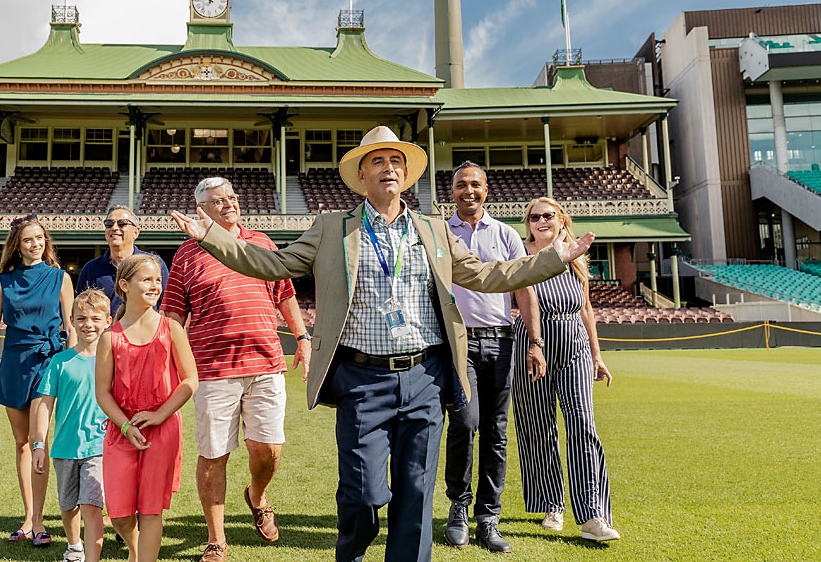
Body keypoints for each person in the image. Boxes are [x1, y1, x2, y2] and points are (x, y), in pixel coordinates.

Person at [170, 126, 594, 562]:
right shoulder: (332, 228)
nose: (388, 168)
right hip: (361, 379)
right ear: (361, 174)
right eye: (378, 161)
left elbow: (490, 276)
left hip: (425, 377)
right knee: (363, 497)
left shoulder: (432, 229)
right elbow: (273, 263)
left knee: (415, 494)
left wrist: (554, 258)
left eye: (396, 161)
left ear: (406, 175)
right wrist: (213, 237)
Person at [161, 177, 312, 562]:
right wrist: (174, 362)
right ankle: (216, 538)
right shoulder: (187, 254)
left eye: (232, 197)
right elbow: (174, 316)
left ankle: (257, 496)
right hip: (212, 369)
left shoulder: (261, 242)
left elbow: (286, 295)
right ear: (203, 209)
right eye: (218, 200)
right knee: (213, 454)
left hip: (265, 363)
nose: (228, 204)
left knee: (268, 451)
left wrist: (303, 337)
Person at [440, 161, 546, 553]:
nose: (468, 190)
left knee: (497, 432)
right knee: (465, 423)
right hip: (458, 343)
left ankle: (489, 517)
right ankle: (459, 508)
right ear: (451, 192)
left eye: (475, 184)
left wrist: (534, 342)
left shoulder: (504, 234)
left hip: (501, 342)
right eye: (461, 185)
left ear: (487, 189)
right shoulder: (440, 233)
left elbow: (524, 289)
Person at [511, 197, 619, 543]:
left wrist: (597, 355)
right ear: (527, 223)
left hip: (574, 342)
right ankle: (551, 504)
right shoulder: (521, 254)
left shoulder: (576, 257)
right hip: (532, 343)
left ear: (560, 220)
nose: (541, 220)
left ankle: (592, 513)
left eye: (548, 215)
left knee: (583, 423)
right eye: (534, 217)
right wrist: (534, 342)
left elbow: (586, 308)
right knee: (538, 425)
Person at [0, 213, 75, 548]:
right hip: (14, 364)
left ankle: (41, 522)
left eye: (40, 238)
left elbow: (71, 327)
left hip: (48, 362)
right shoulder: (3, 281)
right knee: (22, 443)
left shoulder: (60, 279)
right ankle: (29, 519)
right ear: (17, 245)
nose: (35, 244)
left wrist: (73, 368)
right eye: (28, 239)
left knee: (39, 439)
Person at [96, 253, 200, 562]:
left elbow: (189, 380)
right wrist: (126, 427)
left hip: (162, 430)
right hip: (121, 431)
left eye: (158, 280)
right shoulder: (109, 338)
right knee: (118, 513)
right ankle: (136, 549)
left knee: (152, 509)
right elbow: (103, 393)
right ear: (125, 285)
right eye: (147, 280)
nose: (155, 286)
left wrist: (159, 415)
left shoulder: (172, 328)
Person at [32, 288, 113, 562]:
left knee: (92, 506)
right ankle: (74, 546)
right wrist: (39, 444)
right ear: (71, 321)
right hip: (65, 448)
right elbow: (45, 405)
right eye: (81, 318)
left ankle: (92, 558)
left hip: (99, 447)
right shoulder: (60, 362)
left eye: (94, 318)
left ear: (108, 321)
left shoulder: (114, 360)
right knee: (68, 507)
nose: (88, 324)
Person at [77, 206, 170, 317]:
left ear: (136, 232)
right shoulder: (91, 268)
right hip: (105, 333)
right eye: (109, 223)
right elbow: (80, 308)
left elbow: (168, 306)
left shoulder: (154, 264)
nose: (114, 227)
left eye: (122, 223)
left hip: (145, 332)